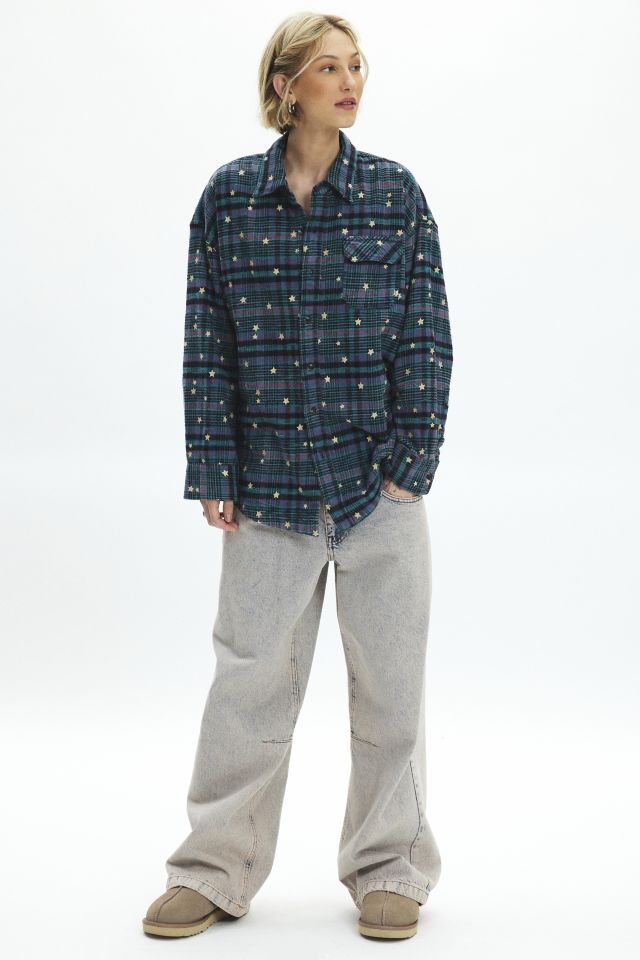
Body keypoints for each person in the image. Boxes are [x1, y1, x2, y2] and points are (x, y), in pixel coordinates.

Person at [142, 11, 453, 942]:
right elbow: (207, 341)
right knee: (246, 687)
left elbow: (426, 333)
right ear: (284, 86)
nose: (351, 81)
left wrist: (411, 463)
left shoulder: (395, 194)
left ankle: (390, 867)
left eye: (356, 65)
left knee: (391, 688)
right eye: (328, 67)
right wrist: (213, 463)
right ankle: (214, 867)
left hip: (377, 489)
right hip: (267, 491)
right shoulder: (229, 199)